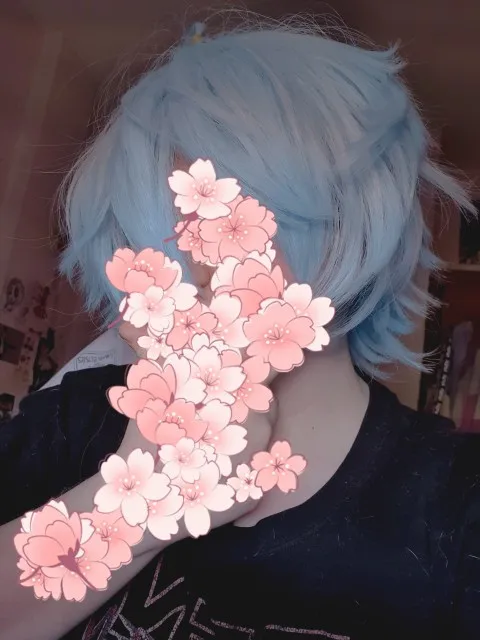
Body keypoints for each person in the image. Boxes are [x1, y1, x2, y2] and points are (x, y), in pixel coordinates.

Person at [0, 18, 479, 640]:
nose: (178, 263)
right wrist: (130, 513)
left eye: (223, 219)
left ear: (351, 226)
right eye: (149, 234)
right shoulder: (80, 419)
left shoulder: (454, 505)